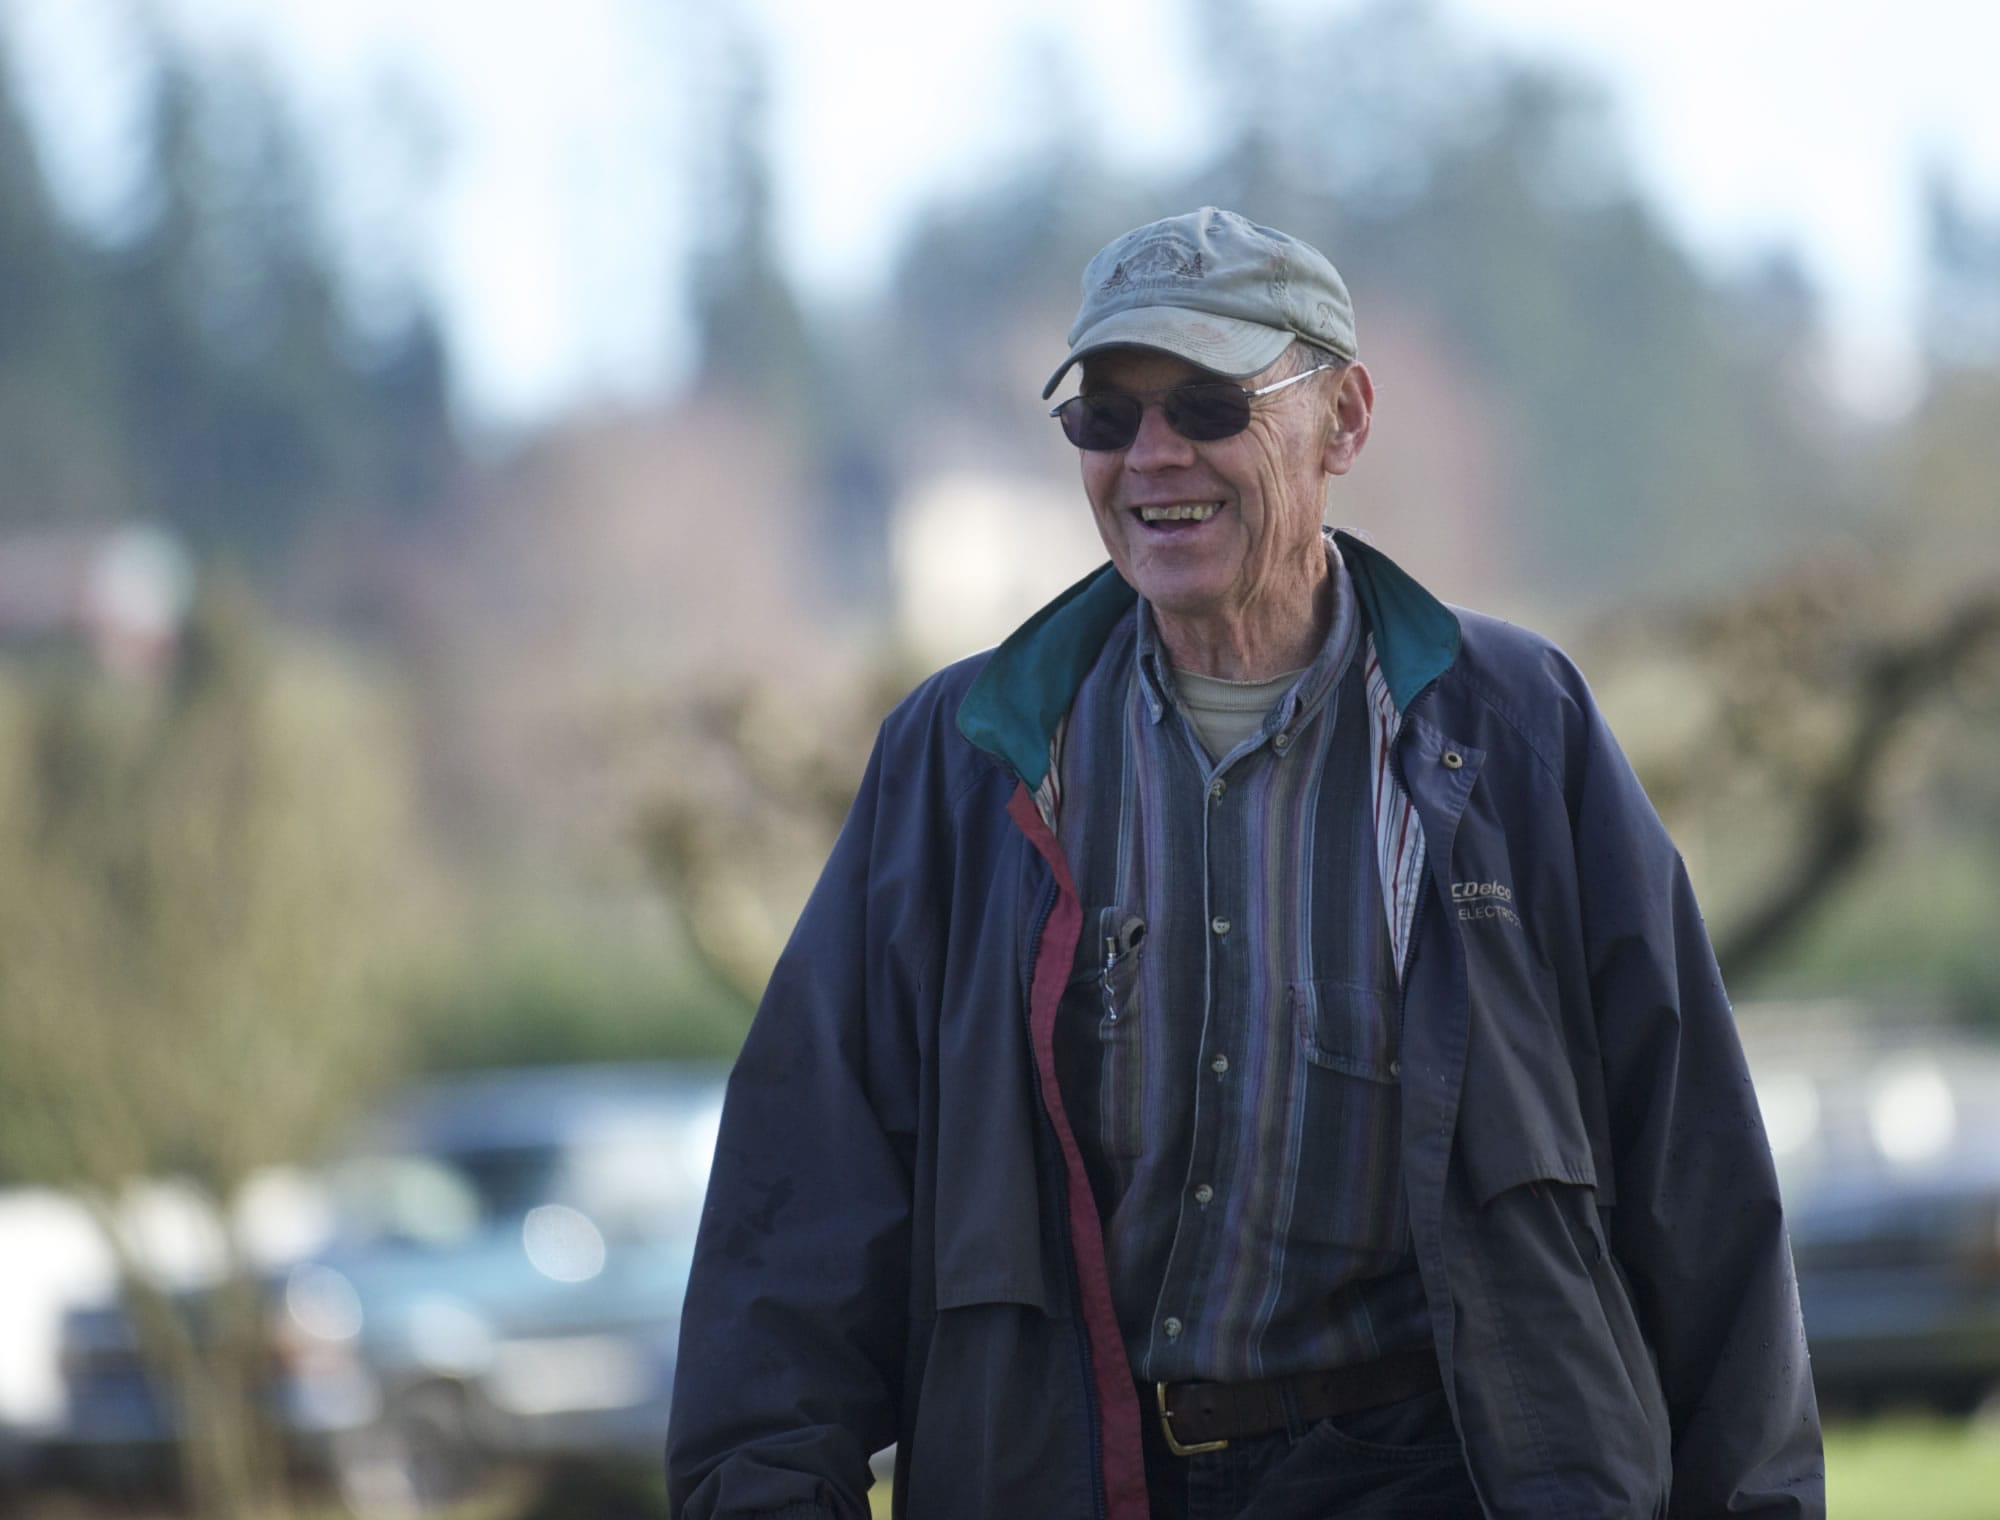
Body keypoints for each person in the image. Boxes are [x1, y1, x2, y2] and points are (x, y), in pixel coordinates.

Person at [665, 207, 1824, 1519]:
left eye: (1209, 407)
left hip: (1434, 1478)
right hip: (1075, 1477)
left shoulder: (1515, 728)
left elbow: (1698, 1185)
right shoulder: (963, 757)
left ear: (1345, 419)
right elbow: (802, 1197)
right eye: (1105, 419)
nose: (1154, 457)